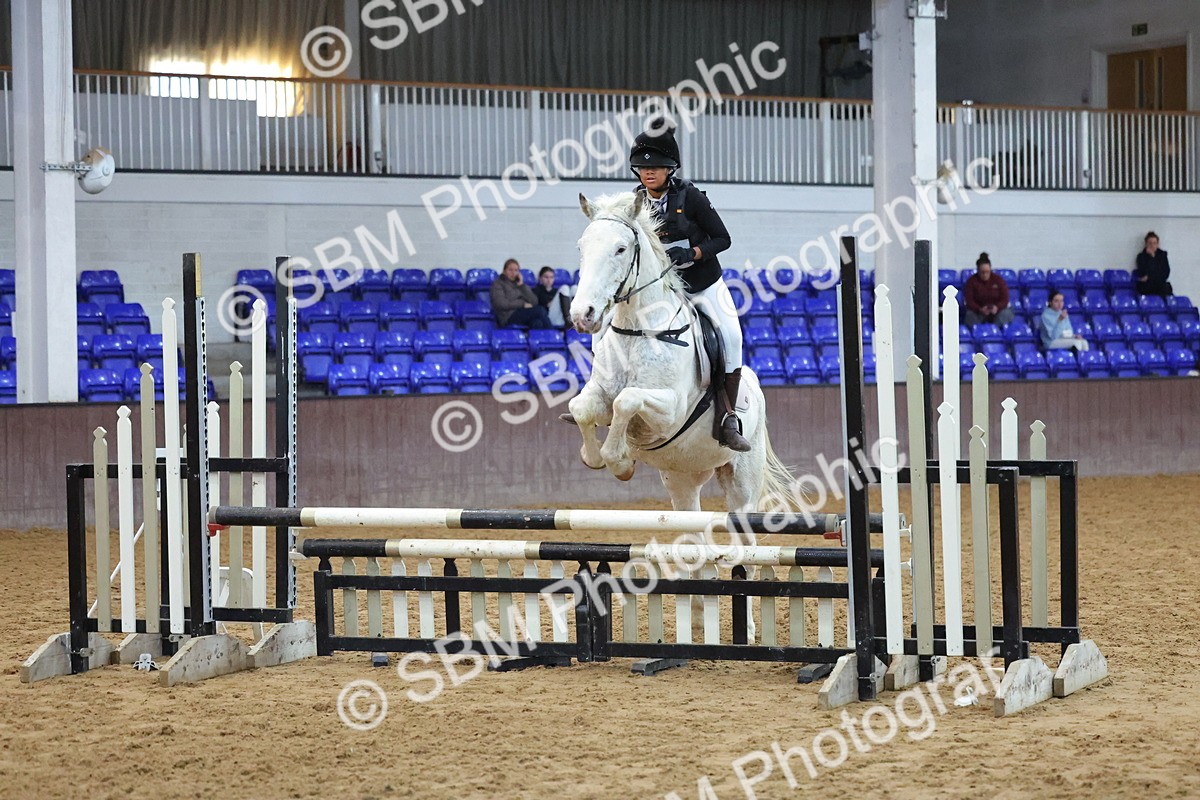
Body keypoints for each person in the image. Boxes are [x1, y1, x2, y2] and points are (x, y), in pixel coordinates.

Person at [630, 122, 748, 452]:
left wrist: (693, 253)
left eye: (655, 167)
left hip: (703, 284)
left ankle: (728, 417)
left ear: (669, 170)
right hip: (664, 291)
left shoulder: (691, 197)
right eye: (642, 167)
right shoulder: (634, 202)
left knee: (732, 337)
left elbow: (723, 239)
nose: (648, 173)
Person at [490, 258, 551, 328]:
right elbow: (500, 304)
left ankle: (541, 339)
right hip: (508, 316)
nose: (513, 273)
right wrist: (522, 304)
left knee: (537, 323)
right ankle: (553, 335)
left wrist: (522, 286)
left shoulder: (520, 284)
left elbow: (534, 302)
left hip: (523, 313)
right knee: (540, 310)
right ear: (504, 271)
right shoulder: (498, 284)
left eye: (516, 270)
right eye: (510, 270)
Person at [963, 252, 1015, 327]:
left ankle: (995, 332)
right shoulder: (971, 282)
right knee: (970, 315)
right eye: (982, 272)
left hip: (997, 311)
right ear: (978, 270)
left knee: (1006, 313)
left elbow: (1005, 299)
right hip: (978, 312)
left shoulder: (998, 280)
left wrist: (997, 307)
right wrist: (980, 309)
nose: (985, 275)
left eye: (987, 272)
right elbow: (969, 301)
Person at [1134, 231, 1173, 297]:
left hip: (1160, 284)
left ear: (1157, 244)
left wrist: (1150, 276)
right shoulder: (1141, 257)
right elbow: (1143, 272)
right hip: (1147, 286)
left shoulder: (1163, 256)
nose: (1152, 246)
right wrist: (1151, 258)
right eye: (1150, 243)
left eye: (1154, 243)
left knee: (1167, 288)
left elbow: (1166, 273)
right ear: (1146, 244)